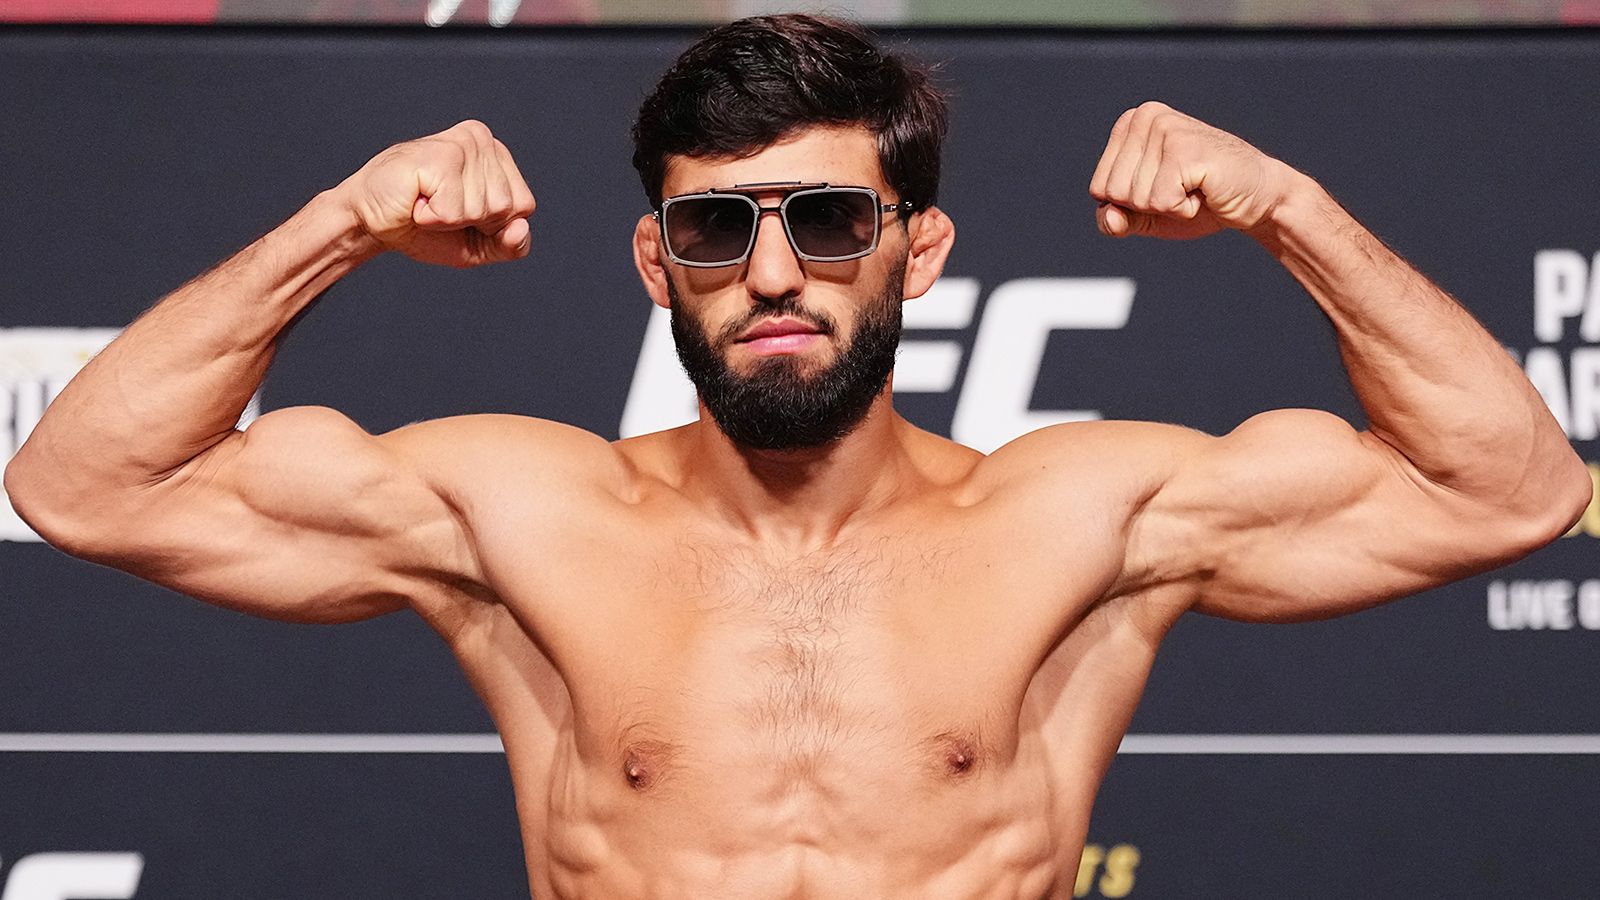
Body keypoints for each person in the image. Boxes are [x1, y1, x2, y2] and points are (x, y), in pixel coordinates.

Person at [4, 13, 1587, 900]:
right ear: (656, 263)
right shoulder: (520, 514)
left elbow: (1511, 490)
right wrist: (343, 221)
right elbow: (84, 484)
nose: (773, 275)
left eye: (829, 222)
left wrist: (1290, 209)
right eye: (715, 229)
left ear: (919, 249)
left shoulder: (1083, 517)